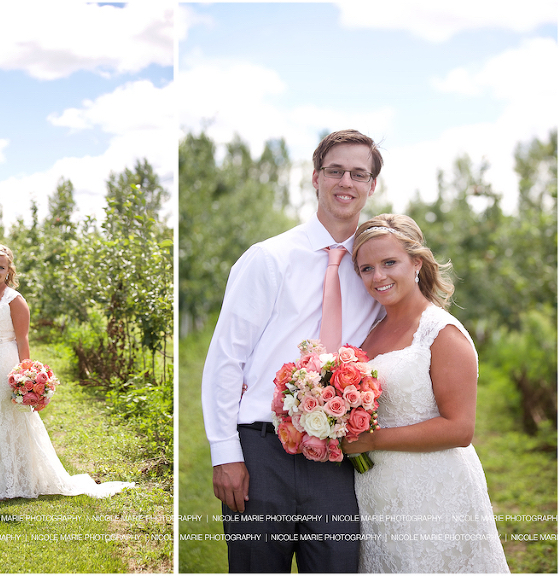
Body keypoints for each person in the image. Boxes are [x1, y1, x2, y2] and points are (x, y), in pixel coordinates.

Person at [202, 129, 385, 572]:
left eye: (358, 174)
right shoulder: (269, 258)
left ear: (372, 186)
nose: (346, 181)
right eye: (335, 170)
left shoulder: (377, 269)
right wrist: (225, 453)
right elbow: (227, 358)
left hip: (340, 456)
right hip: (262, 452)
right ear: (315, 178)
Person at [344, 214, 509, 573]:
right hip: (377, 493)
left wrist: (372, 441)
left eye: (390, 263)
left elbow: (459, 429)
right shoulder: (371, 331)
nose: (379, 277)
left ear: (416, 262)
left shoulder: (442, 332)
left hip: (434, 492)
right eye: (366, 268)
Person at [0, 244, 135, 500]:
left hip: (2, 365)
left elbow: (22, 340)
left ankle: (13, 482)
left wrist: (25, 377)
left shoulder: (14, 299)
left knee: (8, 420)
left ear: (9, 270)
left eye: (1, 267)